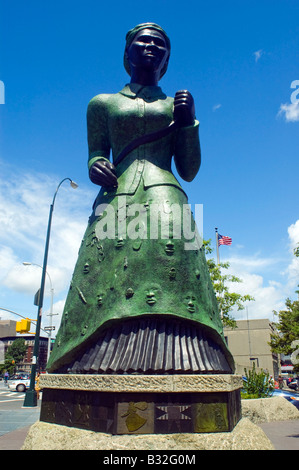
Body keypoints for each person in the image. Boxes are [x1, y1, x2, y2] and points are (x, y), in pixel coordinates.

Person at [47, 23, 234, 375]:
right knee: (103, 274)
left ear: (166, 58)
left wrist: (189, 123)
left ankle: (186, 356)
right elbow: (96, 153)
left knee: (173, 274)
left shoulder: (174, 104)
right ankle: (96, 356)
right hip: (116, 194)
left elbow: (189, 169)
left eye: (159, 43)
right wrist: (95, 164)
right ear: (127, 52)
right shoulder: (103, 103)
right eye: (142, 40)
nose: (150, 46)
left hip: (166, 194)